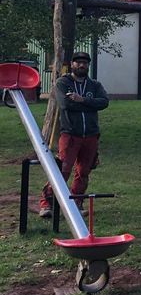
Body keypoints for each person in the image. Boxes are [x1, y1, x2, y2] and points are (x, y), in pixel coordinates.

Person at [38, 51, 110, 218]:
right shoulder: (63, 83)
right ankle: (46, 202)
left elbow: (104, 102)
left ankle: (76, 202)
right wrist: (90, 104)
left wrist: (82, 100)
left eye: (85, 62)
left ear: (88, 65)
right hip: (70, 134)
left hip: (91, 134)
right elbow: (65, 104)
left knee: (83, 171)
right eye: (78, 62)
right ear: (72, 64)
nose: (81, 65)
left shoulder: (95, 85)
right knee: (63, 169)